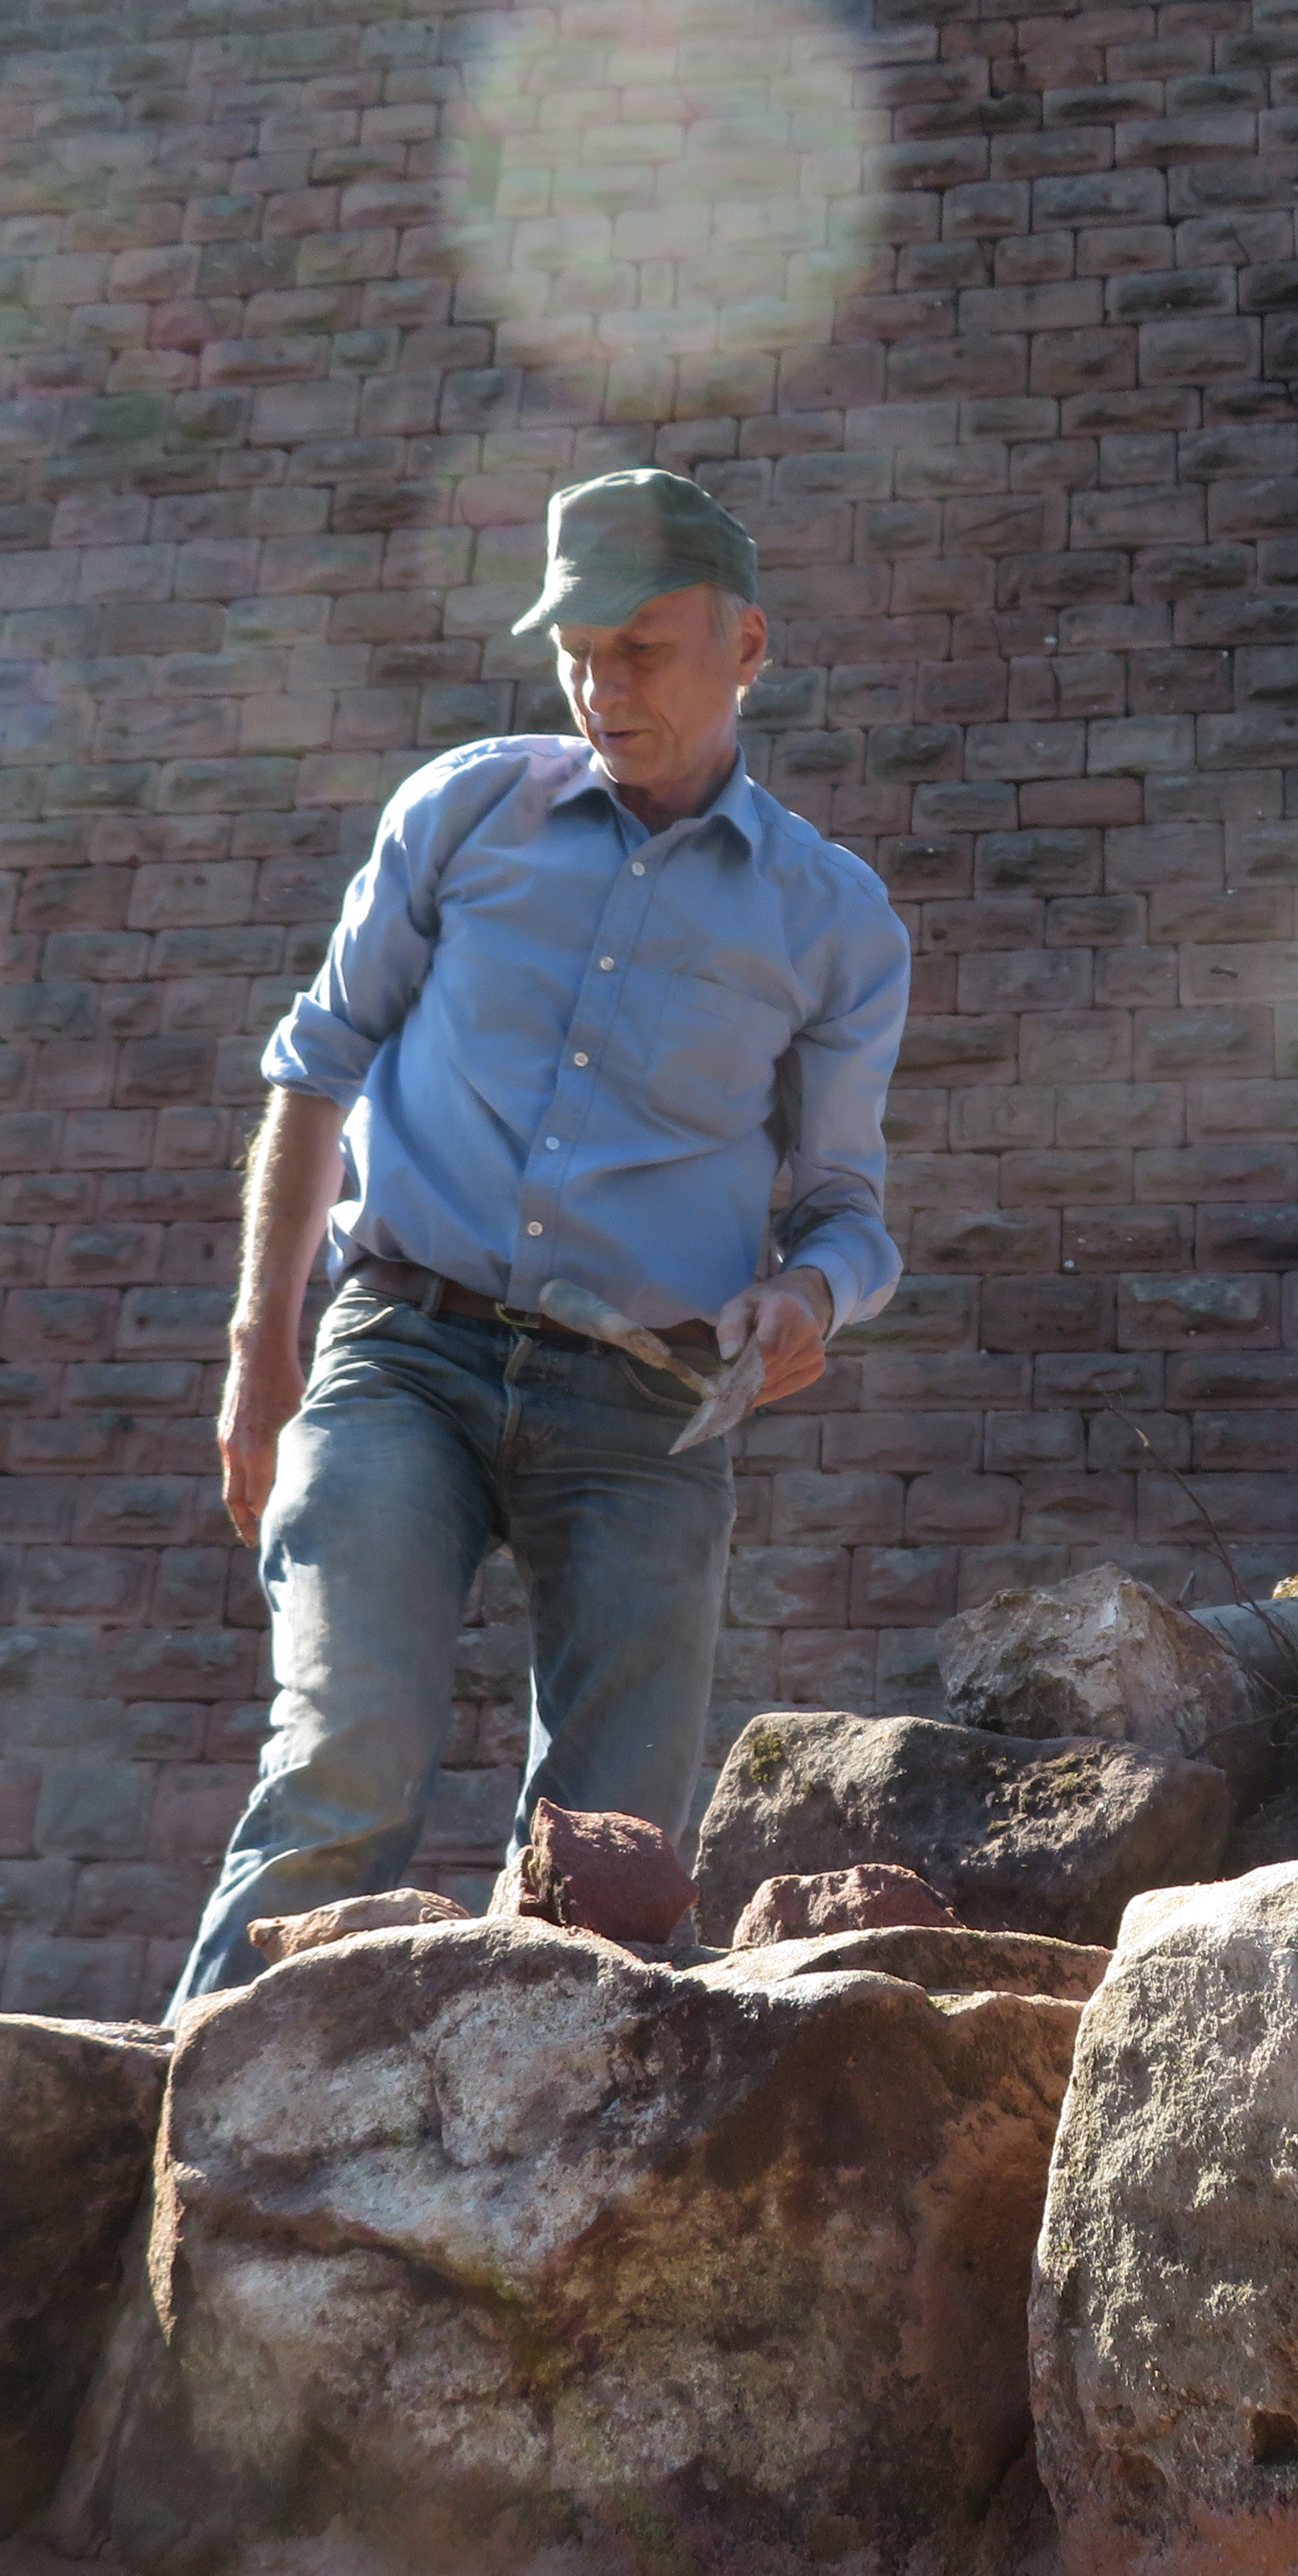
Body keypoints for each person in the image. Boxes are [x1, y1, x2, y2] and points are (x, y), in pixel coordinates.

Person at [163, 469, 911, 2018]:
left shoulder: (834, 921)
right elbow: (316, 1067)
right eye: (576, 651)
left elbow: (848, 1208)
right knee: (340, 1767)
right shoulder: (462, 812)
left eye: (642, 649)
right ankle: (173, 2136)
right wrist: (262, 1354)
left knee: (612, 1869)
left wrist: (809, 1294)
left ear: (747, 646)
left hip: (647, 1415)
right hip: (401, 1355)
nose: (601, 687)